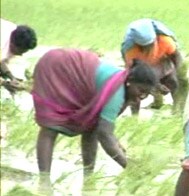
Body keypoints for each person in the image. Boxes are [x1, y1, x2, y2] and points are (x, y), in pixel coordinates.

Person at [31, 48, 158, 191]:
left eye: (147, 94)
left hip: (76, 72)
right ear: (129, 81)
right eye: (140, 90)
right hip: (57, 67)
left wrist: (119, 148)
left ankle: (88, 178)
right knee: (50, 127)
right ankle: (44, 180)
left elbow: (100, 129)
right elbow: (105, 134)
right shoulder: (117, 93)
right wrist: (129, 166)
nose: (141, 97)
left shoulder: (122, 84)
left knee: (91, 128)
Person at [121, 18, 184, 113]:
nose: (147, 50)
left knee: (173, 82)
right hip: (142, 72)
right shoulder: (131, 51)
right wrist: (155, 85)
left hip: (161, 64)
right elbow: (134, 75)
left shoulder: (164, 40)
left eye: (150, 45)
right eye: (143, 47)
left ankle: (177, 111)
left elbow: (176, 58)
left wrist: (180, 76)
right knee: (134, 91)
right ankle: (134, 117)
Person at [1, 18, 37, 94]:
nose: (21, 55)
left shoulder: (13, 32)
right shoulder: (3, 39)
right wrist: (4, 83)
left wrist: (11, 77)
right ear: (12, 44)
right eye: (20, 52)